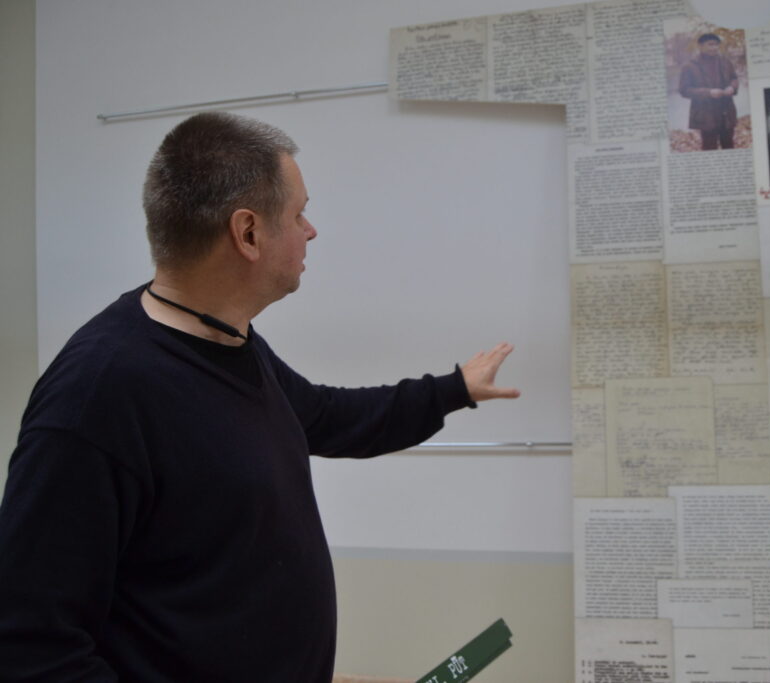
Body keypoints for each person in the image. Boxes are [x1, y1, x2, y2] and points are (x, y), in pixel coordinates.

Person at [0, 112, 519, 681]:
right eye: (298, 214)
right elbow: (33, 649)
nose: (310, 230)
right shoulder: (98, 393)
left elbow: (327, 416)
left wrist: (452, 390)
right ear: (248, 233)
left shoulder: (229, 341)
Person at [678, 33, 739, 151]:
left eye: (716, 44)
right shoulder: (689, 66)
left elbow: (734, 78)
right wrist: (709, 93)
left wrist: (732, 87)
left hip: (726, 112)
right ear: (700, 46)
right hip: (706, 115)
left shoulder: (725, 61)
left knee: (729, 146)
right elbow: (684, 90)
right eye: (710, 44)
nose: (714, 47)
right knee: (709, 148)